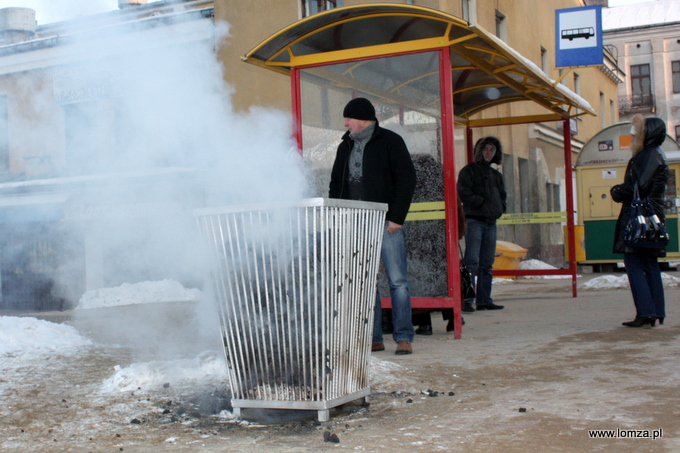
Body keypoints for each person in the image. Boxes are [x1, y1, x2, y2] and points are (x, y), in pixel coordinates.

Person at [329, 97, 417, 355]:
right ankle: (374, 337)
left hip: (386, 223)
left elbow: (406, 180)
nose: (345, 123)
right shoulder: (344, 146)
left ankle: (403, 337)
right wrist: (339, 217)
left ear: (363, 119)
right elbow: (336, 184)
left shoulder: (390, 141)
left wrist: (397, 217)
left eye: (349, 118)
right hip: (356, 223)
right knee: (366, 283)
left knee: (398, 281)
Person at [610, 114, 669, 328]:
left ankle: (646, 312)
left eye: (636, 132)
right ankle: (653, 311)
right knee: (648, 264)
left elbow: (640, 187)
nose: (632, 136)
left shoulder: (648, 155)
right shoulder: (654, 154)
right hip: (650, 217)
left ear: (647, 134)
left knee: (635, 263)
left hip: (640, 219)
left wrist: (617, 191)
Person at [457, 136, 507, 312]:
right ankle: (467, 300)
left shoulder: (496, 175)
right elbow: (463, 192)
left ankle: (484, 300)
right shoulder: (468, 171)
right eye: (485, 149)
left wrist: (500, 208)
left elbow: (502, 196)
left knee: (487, 263)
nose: (488, 153)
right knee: (471, 261)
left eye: (491, 150)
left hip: (491, 222)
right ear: (479, 151)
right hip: (474, 221)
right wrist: (481, 203)